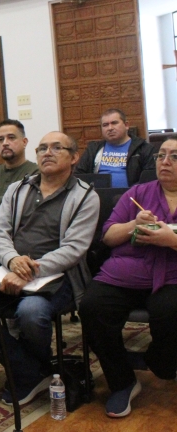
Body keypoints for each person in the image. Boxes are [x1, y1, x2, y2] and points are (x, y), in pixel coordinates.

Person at [0, 131, 99, 406]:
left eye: (55, 148)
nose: (46, 153)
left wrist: (29, 270)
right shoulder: (18, 189)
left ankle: (27, 370)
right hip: (9, 266)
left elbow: (74, 249)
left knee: (31, 312)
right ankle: (30, 372)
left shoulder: (85, 197)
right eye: (41, 148)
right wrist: (13, 260)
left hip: (57, 277)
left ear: (74, 157)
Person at [79, 136, 177, 418]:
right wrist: (134, 223)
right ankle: (122, 381)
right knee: (92, 307)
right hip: (126, 271)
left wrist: (170, 239)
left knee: (168, 311)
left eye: (174, 156)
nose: (165, 162)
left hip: (172, 276)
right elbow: (108, 236)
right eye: (161, 156)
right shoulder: (139, 192)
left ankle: (159, 361)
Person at [75, 108, 156, 188]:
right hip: (98, 196)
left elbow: (150, 180)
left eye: (114, 123)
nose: (110, 128)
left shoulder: (144, 149)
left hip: (133, 197)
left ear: (126, 125)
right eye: (105, 125)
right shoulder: (93, 149)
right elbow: (79, 175)